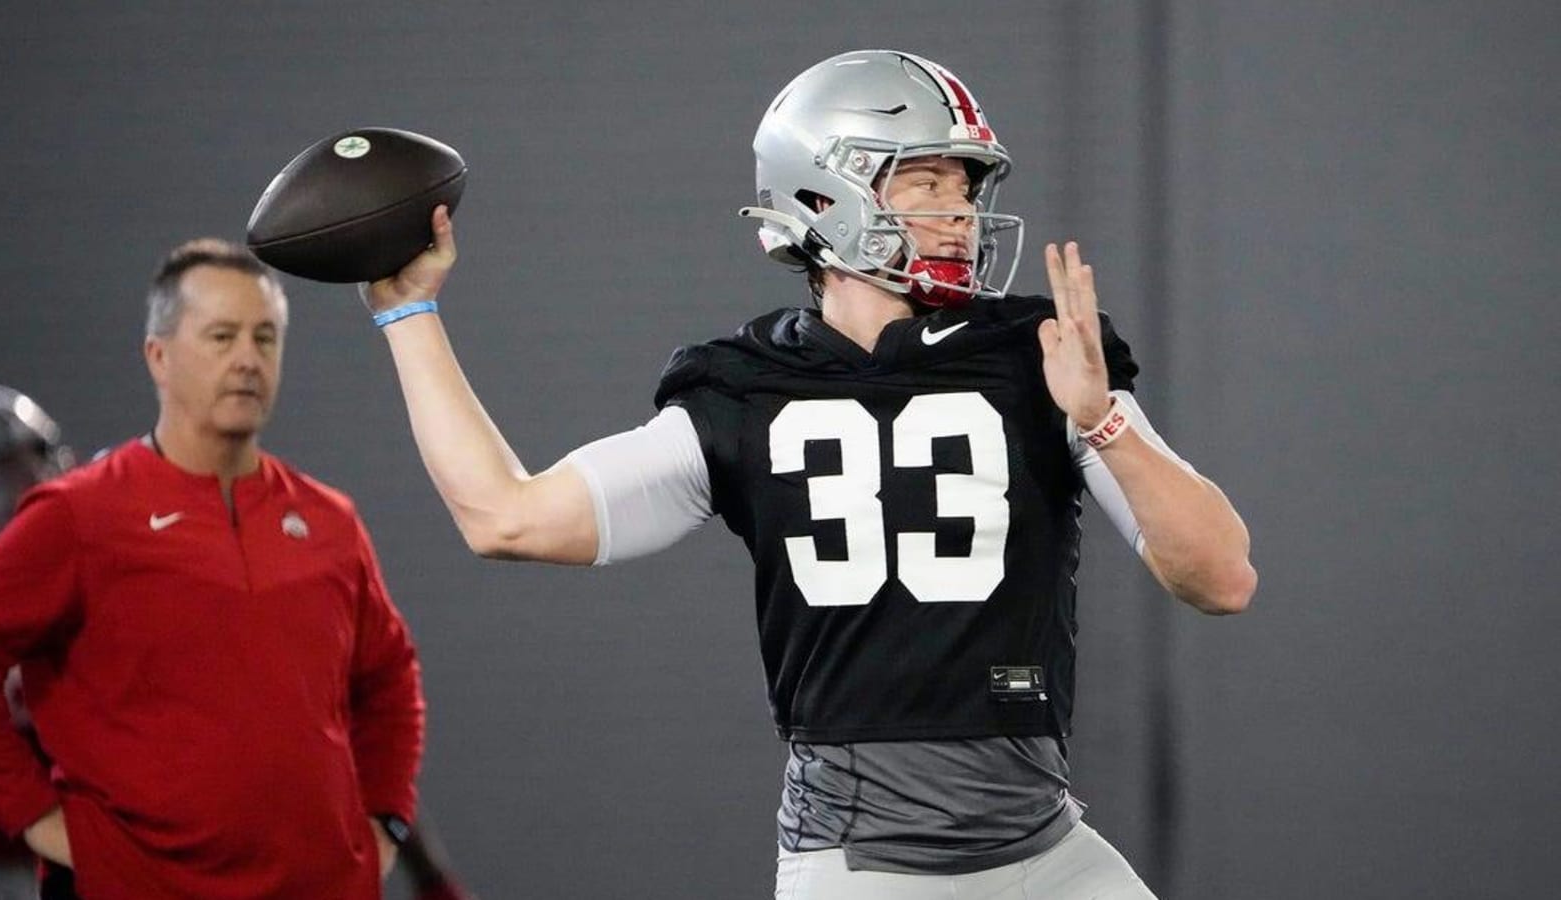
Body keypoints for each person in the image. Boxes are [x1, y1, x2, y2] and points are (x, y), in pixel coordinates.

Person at [363, 49, 1257, 898]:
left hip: (1042, 846)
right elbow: (506, 519)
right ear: (826, 190)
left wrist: (1101, 422)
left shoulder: (1041, 355)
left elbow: (1221, 577)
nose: (960, 212)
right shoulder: (743, 391)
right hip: (862, 866)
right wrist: (411, 314)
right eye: (926, 180)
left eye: (966, 185)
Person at [0, 240, 427, 899]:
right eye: (221, 336)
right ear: (159, 356)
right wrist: (36, 820)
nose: (247, 359)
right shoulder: (78, 517)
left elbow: (389, 678)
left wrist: (384, 823)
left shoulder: (330, 520)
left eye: (265, 338)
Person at [0, 384, 74, 900]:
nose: (26, 480)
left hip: (53, 838)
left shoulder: (63, 551)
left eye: (33, 459)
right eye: (5, 468)